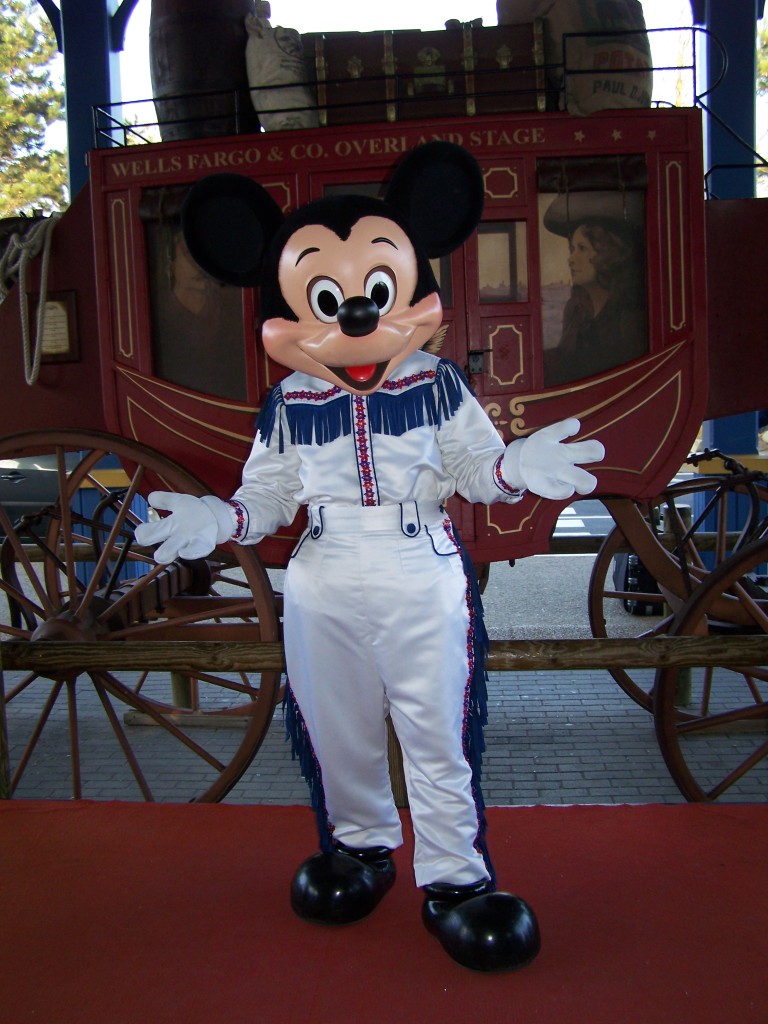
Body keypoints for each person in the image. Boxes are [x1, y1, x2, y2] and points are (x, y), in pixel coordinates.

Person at [135, 143, 605, 972]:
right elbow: (271, 495)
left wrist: (513, 467)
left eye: (372, 292)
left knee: (436, 729)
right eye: (326, 296)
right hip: (321, 576)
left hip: (419, 565)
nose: (353, 315)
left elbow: (469, 469)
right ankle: (360, 848)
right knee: (337, 725)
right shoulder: (288, 399)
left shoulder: (437, 382)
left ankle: (457, 879)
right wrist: (222, 517)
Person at [543, 193, 648, 387]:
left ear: (606, 253)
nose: (571, 259)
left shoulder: (629, 314)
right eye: (572, 249)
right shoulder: (575, 309)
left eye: (582, 248)